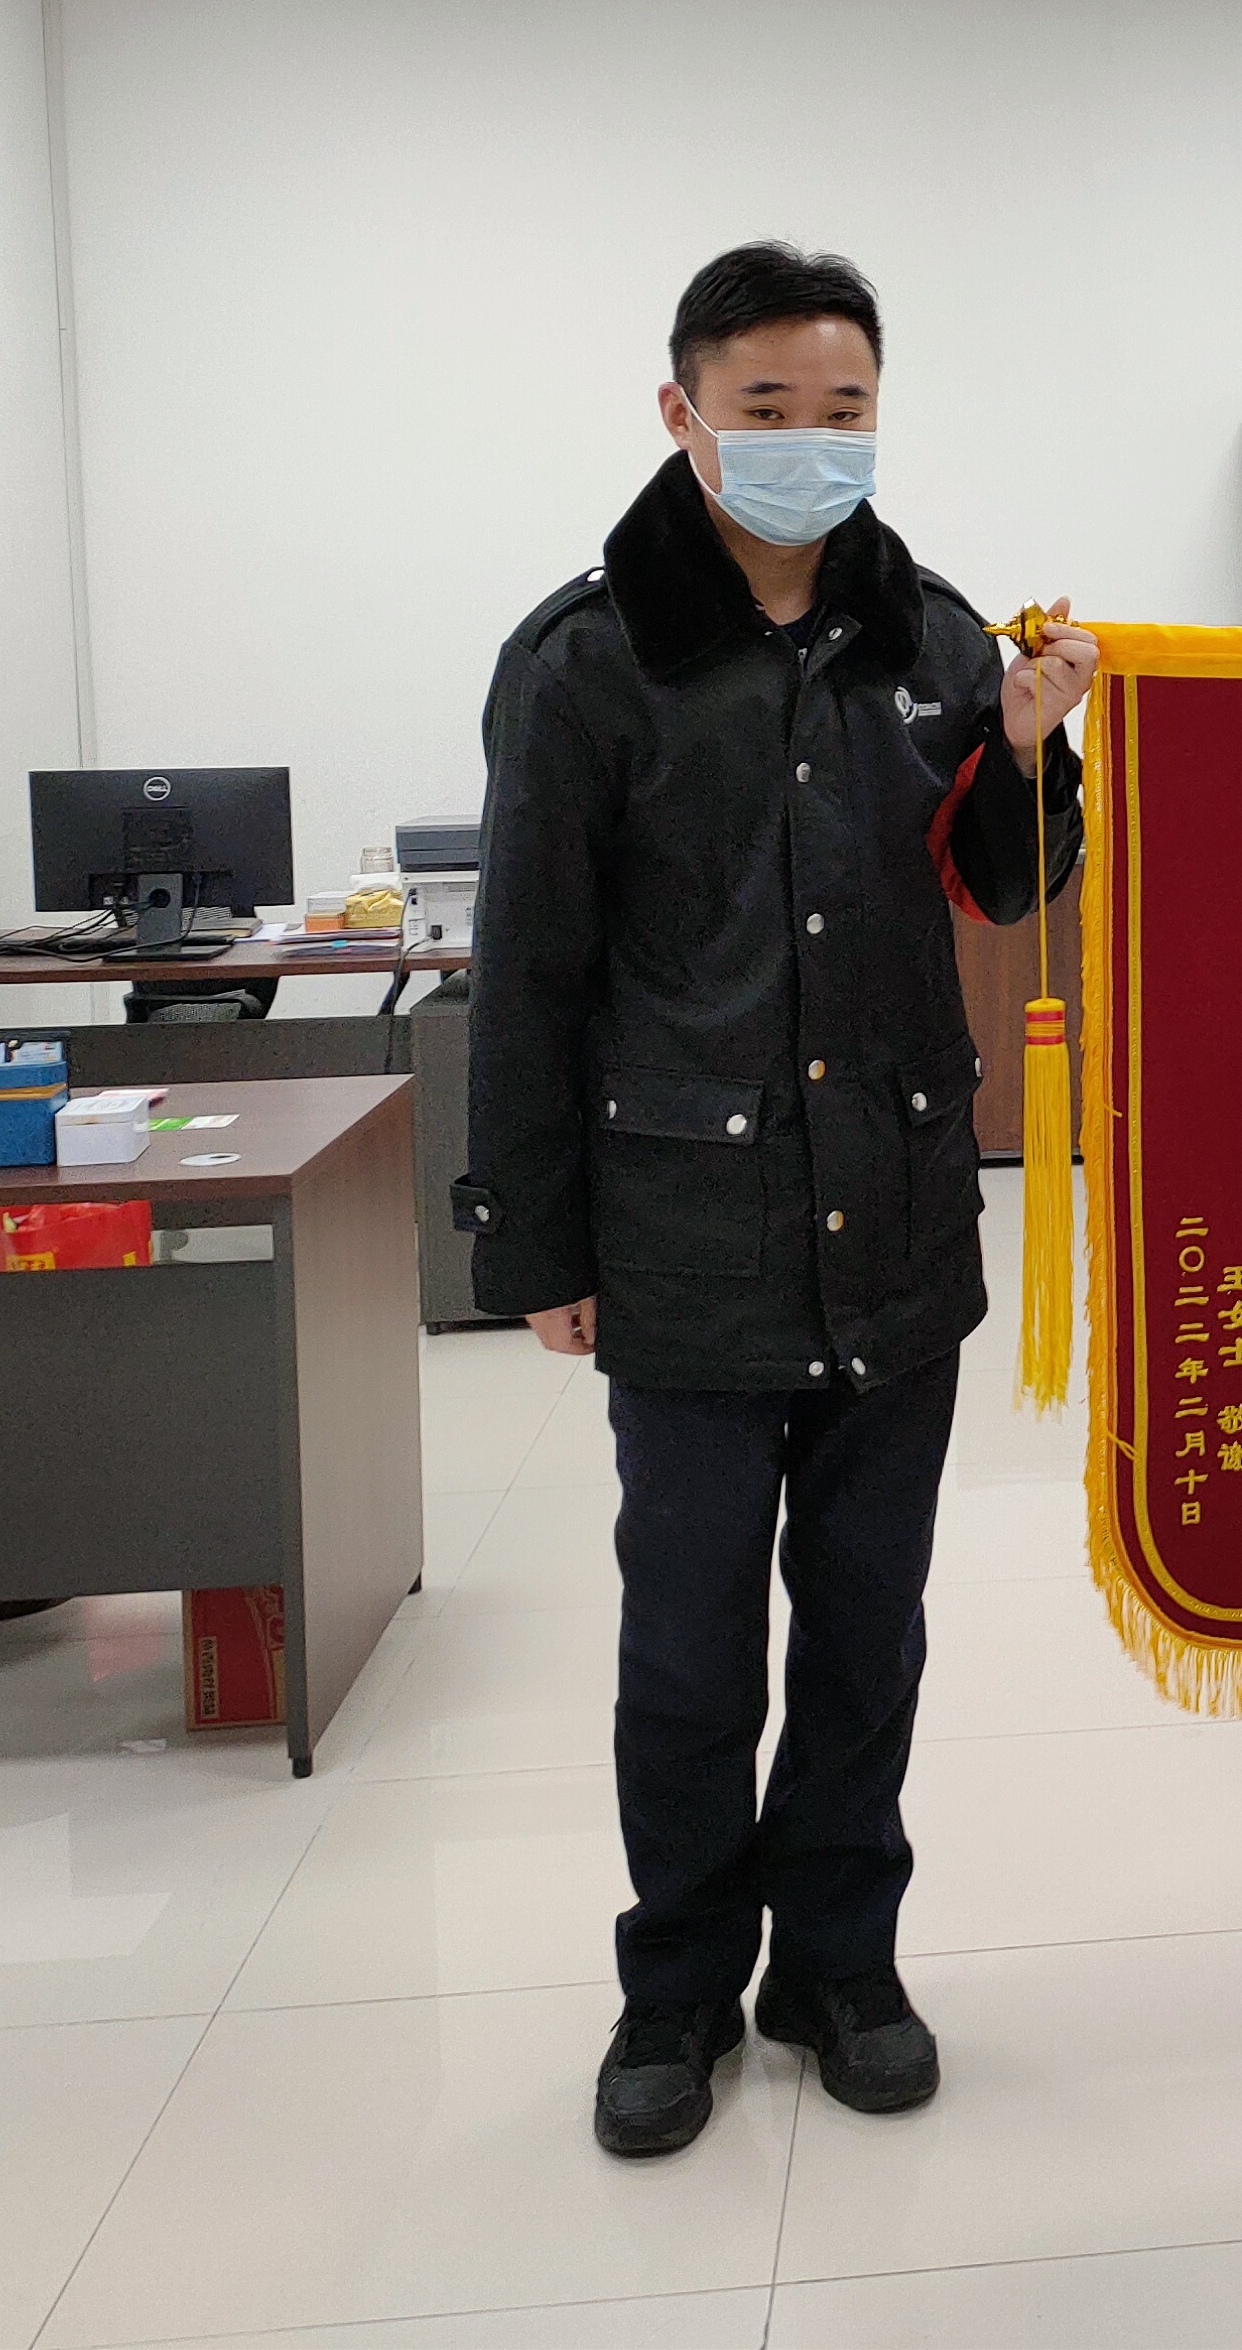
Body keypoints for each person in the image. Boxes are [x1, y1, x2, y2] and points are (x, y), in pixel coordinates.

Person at [458, 240, 1095, 2160]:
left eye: (845, 409)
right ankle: (674, 1992)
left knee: (868, 1633)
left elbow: (1008, 883)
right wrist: (537, 1247)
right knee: (688, 1650)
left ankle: (840, 1968)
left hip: (895, 1219)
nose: (813, 440)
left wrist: (1032, 749)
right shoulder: (589, 661)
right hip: (688, 1236)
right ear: (684, 414)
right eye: (767, 409)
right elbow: (529, 972)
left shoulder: (937, 638)